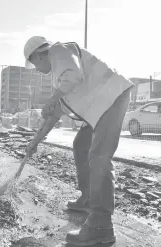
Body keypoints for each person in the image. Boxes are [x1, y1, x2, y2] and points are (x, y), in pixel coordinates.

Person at [23, 36, 134, 246]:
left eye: (34, 64)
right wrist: (35, 142)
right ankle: (88, 198)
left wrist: (54, 98)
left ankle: (101, 226)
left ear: (39, 54)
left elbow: (73, 75)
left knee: (99, 155)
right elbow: (53, 116)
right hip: (99, 107)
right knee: (81, 145)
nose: (36, 69)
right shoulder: (59, 76)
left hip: (111, 97)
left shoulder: (59, 50)